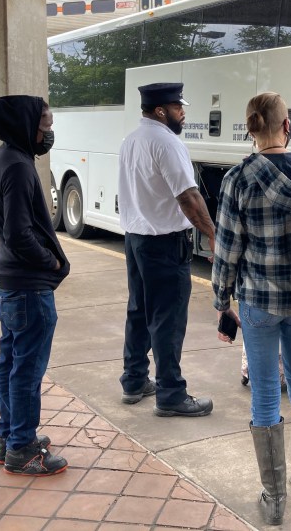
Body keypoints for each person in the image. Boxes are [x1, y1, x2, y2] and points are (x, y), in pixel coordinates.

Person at [213, 92, 291, 526]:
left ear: (251, 128)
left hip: (258, 302)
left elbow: (226, 250)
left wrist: (221, 300)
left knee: (265, 392)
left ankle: (274, 500)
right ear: (288, 126)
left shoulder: (237, 178)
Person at [0, 95, 70, 476]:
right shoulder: (18, 167)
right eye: (44, 127)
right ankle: (22, 447)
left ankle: (9, 436)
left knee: (11, 361)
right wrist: (49, 261)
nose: (48, 133)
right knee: (27, 369)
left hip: (7, 281)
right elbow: (18, 233)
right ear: (25, 126)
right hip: (27, 286)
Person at [118, 82, 214, 417]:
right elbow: (188, 196)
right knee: (167, 320)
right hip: (164, 243)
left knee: (139, 311)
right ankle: (171, 394)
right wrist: (212, 234)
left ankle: (133, 381)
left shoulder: (132, 140)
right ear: (161, 111)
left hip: (136, 239)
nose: (183, 113)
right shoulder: (167, 142)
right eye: (178, 107)